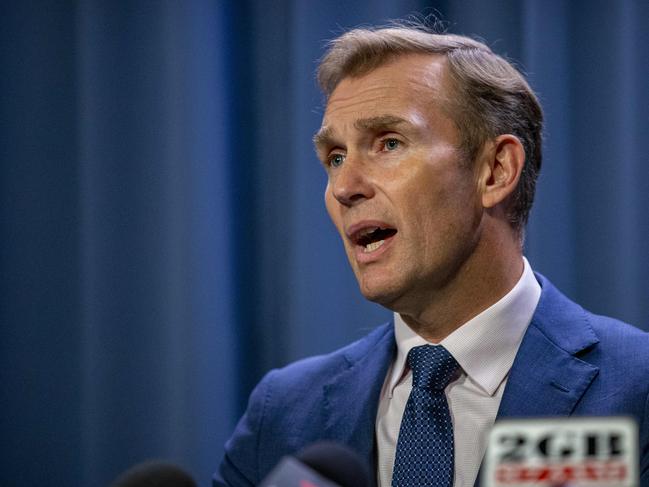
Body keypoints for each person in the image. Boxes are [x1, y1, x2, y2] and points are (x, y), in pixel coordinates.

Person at [214, 22, 649, 487]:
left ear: (495, 171)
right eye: (336, 157)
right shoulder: (282, 414)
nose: (343, 187)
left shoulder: (636, 388)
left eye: (388, 143)